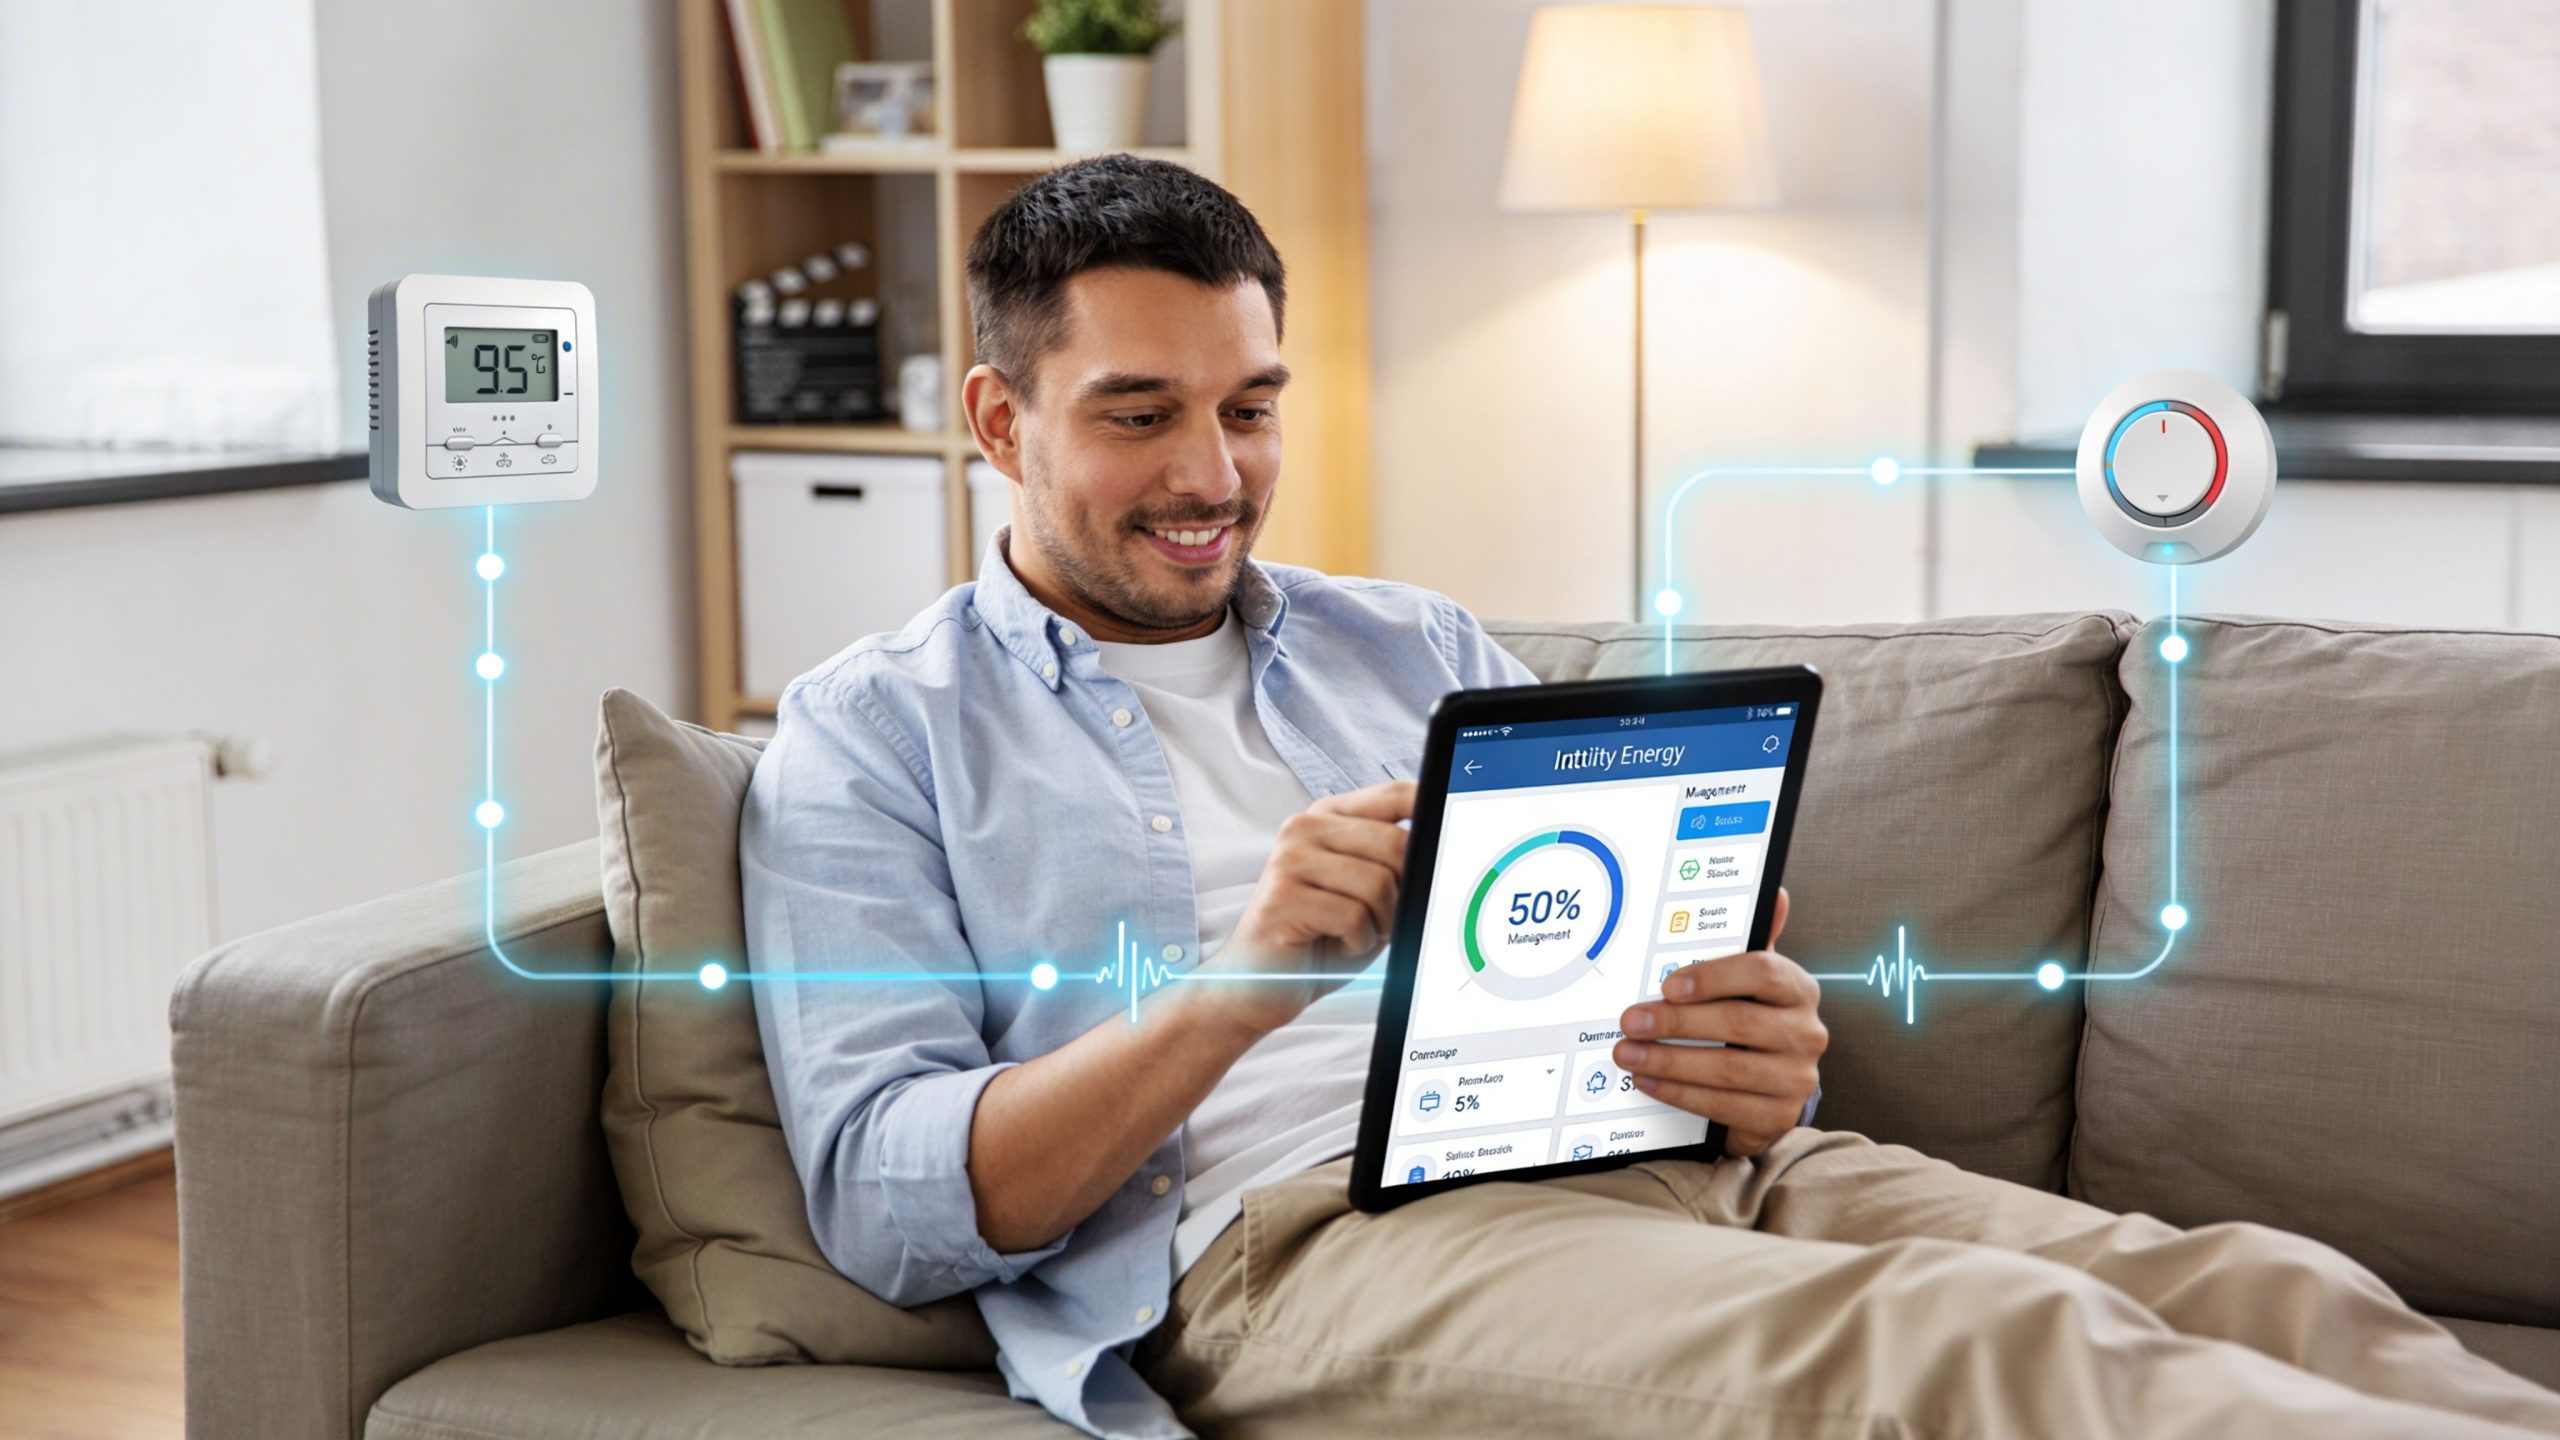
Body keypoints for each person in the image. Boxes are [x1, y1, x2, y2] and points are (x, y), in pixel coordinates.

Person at [740, 156, 2560, 1440]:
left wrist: (1751, 1038)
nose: (1215, 473)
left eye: (1253, 406)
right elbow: (893, 1204)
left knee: (2262, 1294)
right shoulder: (869, 737)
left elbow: (1656, 965)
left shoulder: (1416, 640)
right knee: (1998, 1351)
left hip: (1686, 1163)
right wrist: (1248, 977)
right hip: (1303, 1246)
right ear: (998, 420)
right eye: (1139, 414)